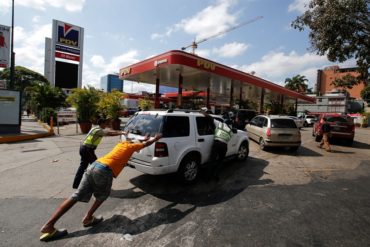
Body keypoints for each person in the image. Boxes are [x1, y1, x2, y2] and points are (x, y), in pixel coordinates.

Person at [39, 133, 162, 242]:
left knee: (76, 195)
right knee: (102, 196)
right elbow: (146, 144)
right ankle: (88, 218)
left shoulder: (121, 144)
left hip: (94, 165)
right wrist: (155, 139)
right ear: (133, 142)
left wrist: (142, 139)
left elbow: (137, 142)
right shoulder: (132, 146)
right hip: (104, 171)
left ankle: (49, 225)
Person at [72, 118, 124, 189]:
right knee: (97, 167)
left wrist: (118, 131)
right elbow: (109, 133)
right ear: (102, 124)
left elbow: (108, 131)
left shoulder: (95, 128)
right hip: (88, 149)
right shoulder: (99, 130)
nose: (106, 125)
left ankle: (76, 184)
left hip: (83, 148)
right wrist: (121, 133)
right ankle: (96, 185)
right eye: (105, 124)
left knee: (83, 167)